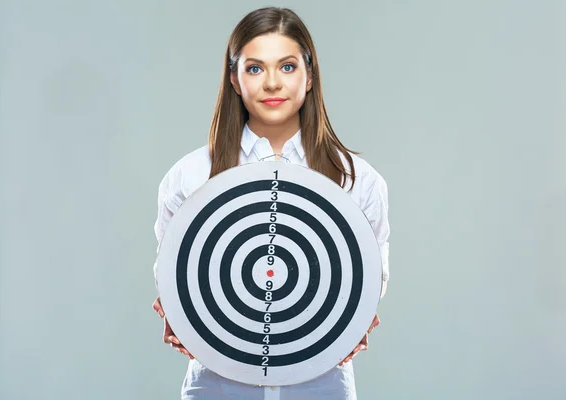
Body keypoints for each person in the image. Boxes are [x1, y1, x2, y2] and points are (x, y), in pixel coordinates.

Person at [151, 7, 390, 400]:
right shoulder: (190, 177)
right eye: (255, 68)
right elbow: (174, 273)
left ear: (310, 77)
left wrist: (357, 316)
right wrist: (179, 313)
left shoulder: (357, 180)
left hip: (322, 384)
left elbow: (371, 277)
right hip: (216, 384)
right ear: (234, 78)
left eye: (288, 66)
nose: (273, 83)